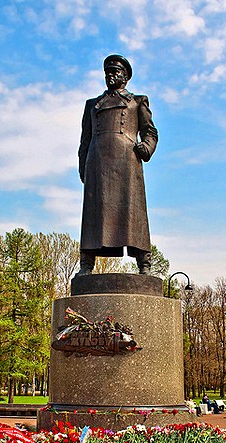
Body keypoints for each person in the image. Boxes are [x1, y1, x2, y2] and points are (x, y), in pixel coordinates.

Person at [76, 54, 159, 276]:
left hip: (127, 163)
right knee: (94, 214)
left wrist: (146, 147)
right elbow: (85, 139)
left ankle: (144, 264)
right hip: (98, 164)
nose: (110, 76)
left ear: (125, 76)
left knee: (134, 212)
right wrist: (83, 165)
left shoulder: (137, 101)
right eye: (107, 72)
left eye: (115, 72)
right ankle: (86, 264)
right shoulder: (92, 105)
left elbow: (150, 132)